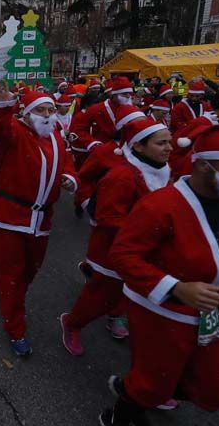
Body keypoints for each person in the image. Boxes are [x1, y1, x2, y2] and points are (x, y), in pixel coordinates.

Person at [101, 126, 219, 426]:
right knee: (155, 381)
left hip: (207, 309)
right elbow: (123, 256)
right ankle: (119, 415)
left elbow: (218, 246)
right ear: (204, 166)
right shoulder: (161, 206)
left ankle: (135, 390)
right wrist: (175, 286)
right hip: (162, 310)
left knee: (212, 388)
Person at [60, 116, 172, 356]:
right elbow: (108, 217)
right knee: (101, 295)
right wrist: (147, 233)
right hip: (111, 249)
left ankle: (115, 315)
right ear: (139, 146)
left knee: (127, 290)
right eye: (161, 143)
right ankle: (72, 322)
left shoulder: (162, 170)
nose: (169, 148)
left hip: (143, 250)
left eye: (169, 142)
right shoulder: (122, 176)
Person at [0, 83, 78, 357]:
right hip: (10, 219)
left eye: (50, 109)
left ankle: (13, 303)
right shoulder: (15, 132)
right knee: (11, 276)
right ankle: (15, 327)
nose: (47, 114)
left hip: (41, 221)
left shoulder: (55, 137)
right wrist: (1, 107)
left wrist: (70, 179)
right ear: (26, 113)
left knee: (30, 271)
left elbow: (68, 162)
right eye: (41, 109)